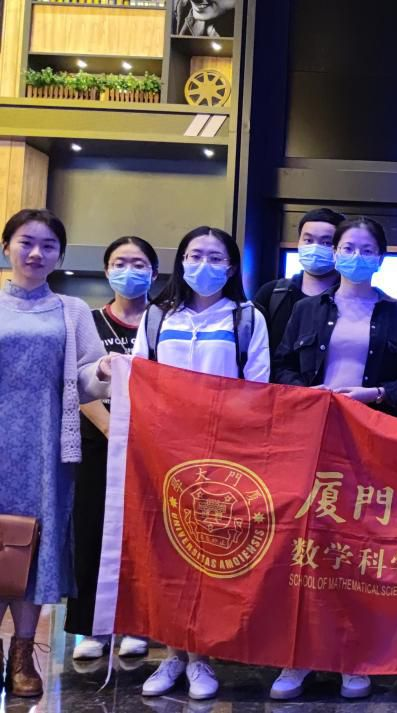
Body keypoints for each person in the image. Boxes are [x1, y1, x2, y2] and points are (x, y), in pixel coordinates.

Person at [269, 217, 397, 699]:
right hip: (312, 440)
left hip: (370, 442)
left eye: (366, 249)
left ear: (381, 258)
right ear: (335, 253)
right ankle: (296, 658)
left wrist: (376, 394)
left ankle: (353, 657)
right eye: (347, 247)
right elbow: (281, 367)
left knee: (358, 549)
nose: (356, 256)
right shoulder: (305, 310)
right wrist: (309, 394)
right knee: (306, 548)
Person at [133, 226, 270, 700]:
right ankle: (172, 654)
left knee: (208, 554)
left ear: (231, 267)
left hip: (221, 455)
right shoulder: (157, 315)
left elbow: (257, 388)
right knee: (167, 554)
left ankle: (202, 658)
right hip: (162, 453)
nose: (203, 265)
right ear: (181, 261)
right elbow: (140, 377)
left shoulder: (247, 317)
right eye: (195, 255)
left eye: (215, 257)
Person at [0, 209, 110, 698]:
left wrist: (102, 372)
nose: (36, 253)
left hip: (48, 446)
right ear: (7, 246)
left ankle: (23, 652)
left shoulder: (72, 310)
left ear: (60, 255)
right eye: (26, 242)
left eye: (48, 245)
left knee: (35, 547)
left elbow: (85, 380)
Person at [66, 237, 159, 662]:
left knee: (144, 532)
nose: (129, 271)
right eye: (120, 263)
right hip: (99, 440)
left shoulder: (163, 320)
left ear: (153, 273)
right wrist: (111, 429)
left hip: (153, 444)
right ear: (106, 271)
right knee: (92, 530)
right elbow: (76, 382)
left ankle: (138, 623)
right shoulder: (89, 322)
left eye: (138, 264)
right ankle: (93, 627)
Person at [253, 208, 346, 358]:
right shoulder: (272, 293)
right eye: (308, 240)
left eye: (326, 242)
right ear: (299, 243)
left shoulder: (351, 299)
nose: (315, 248)